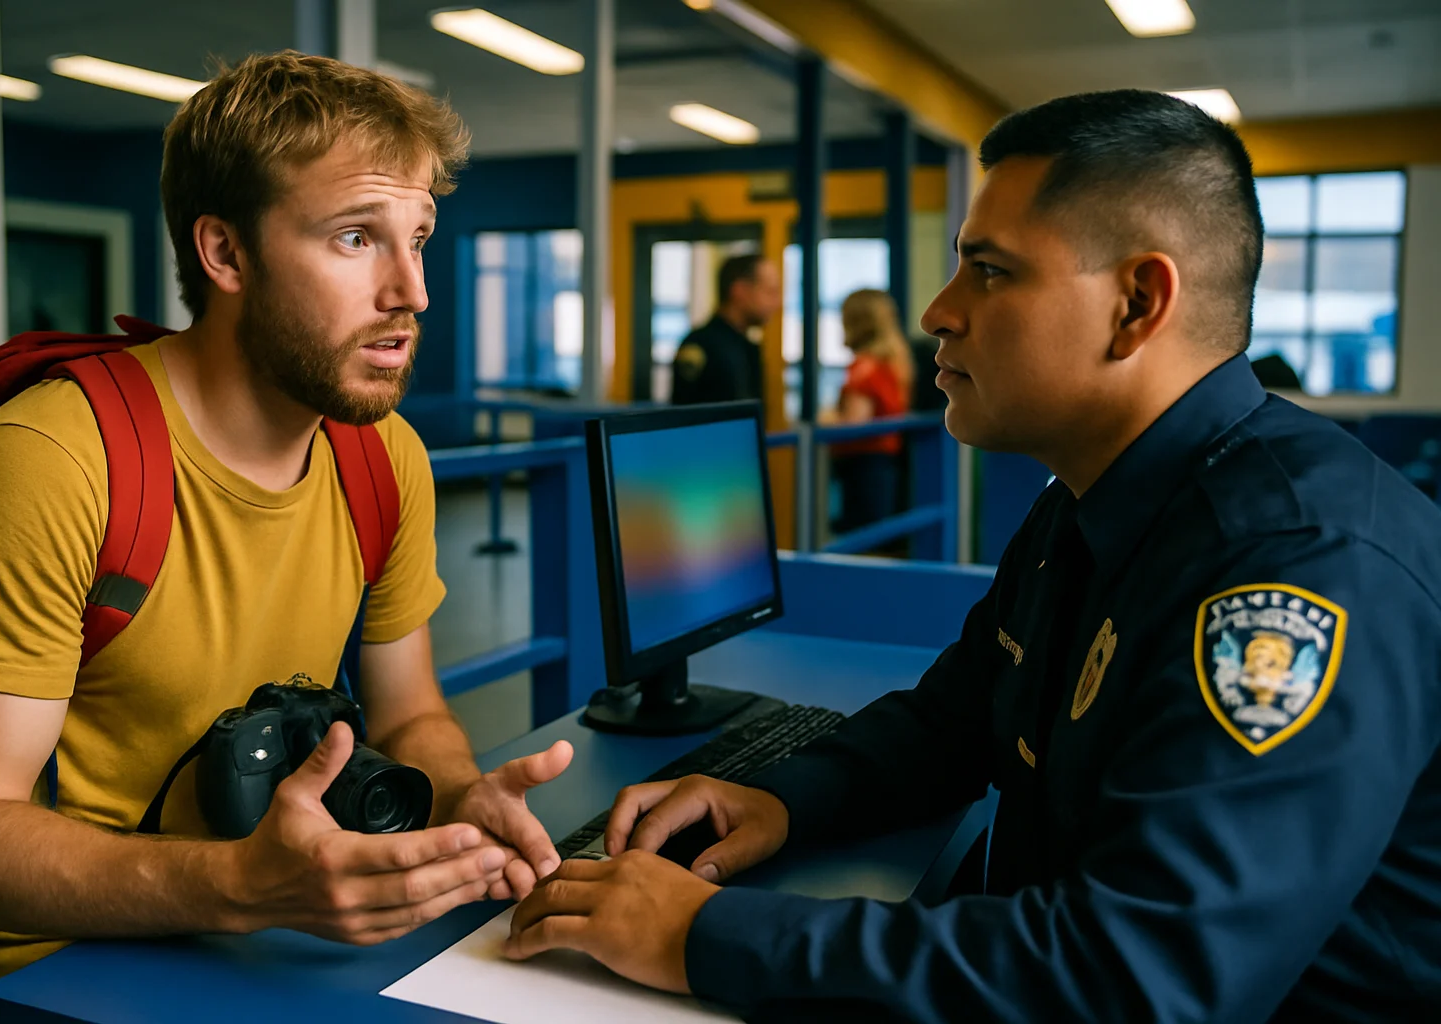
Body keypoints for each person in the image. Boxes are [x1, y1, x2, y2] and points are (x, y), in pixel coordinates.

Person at [500, 90, 1441, 1021]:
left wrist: (700, 938)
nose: (938, 313)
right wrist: (782, 800)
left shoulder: (1299, 567)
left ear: (1137, 304)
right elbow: (959, 717)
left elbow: (1142, 980)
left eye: (989, 271)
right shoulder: (1087, 501)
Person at [0, 52, 573, 1022]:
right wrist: (243, 883)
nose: (412, 291)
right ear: (225, 254)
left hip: (254, 946)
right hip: (32, 988)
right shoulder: (53, 458)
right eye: (356, 238)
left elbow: (410, 713)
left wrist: (462, 794)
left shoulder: (384, 457)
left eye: (418, 238)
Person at [825, 289, 914, 533]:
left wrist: (822, 420)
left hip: (861, 468)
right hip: (884, 466)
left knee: (860, 539)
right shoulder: (895, 363)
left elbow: (853, 422)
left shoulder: (865, 368)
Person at [669, 254, 781, 409]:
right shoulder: (702, 346)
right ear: (739, 291)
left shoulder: (746, 348)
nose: (777, 303)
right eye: (770, 292)